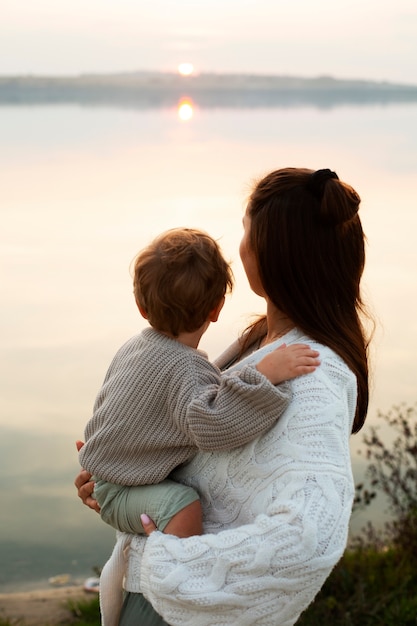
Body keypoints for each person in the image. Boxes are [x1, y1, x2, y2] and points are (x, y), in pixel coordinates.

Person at [75, 167, 372, 626]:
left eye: (246, 232)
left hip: (184, 609)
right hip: (158, 599)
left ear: (274, 255)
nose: (239, 247)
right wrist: (123, 470)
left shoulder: (315, 376)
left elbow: (309, 535)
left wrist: (170, 565)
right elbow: (190, 437)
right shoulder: (258, 344)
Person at [79, 227, 320, 542]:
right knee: (184, 507)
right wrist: (263, 376)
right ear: (216, 308)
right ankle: (179, 579)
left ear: (142, 307)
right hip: (122, 489)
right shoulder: (186, 369)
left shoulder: (134, 346)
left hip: (108, 477)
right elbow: (215, 425)